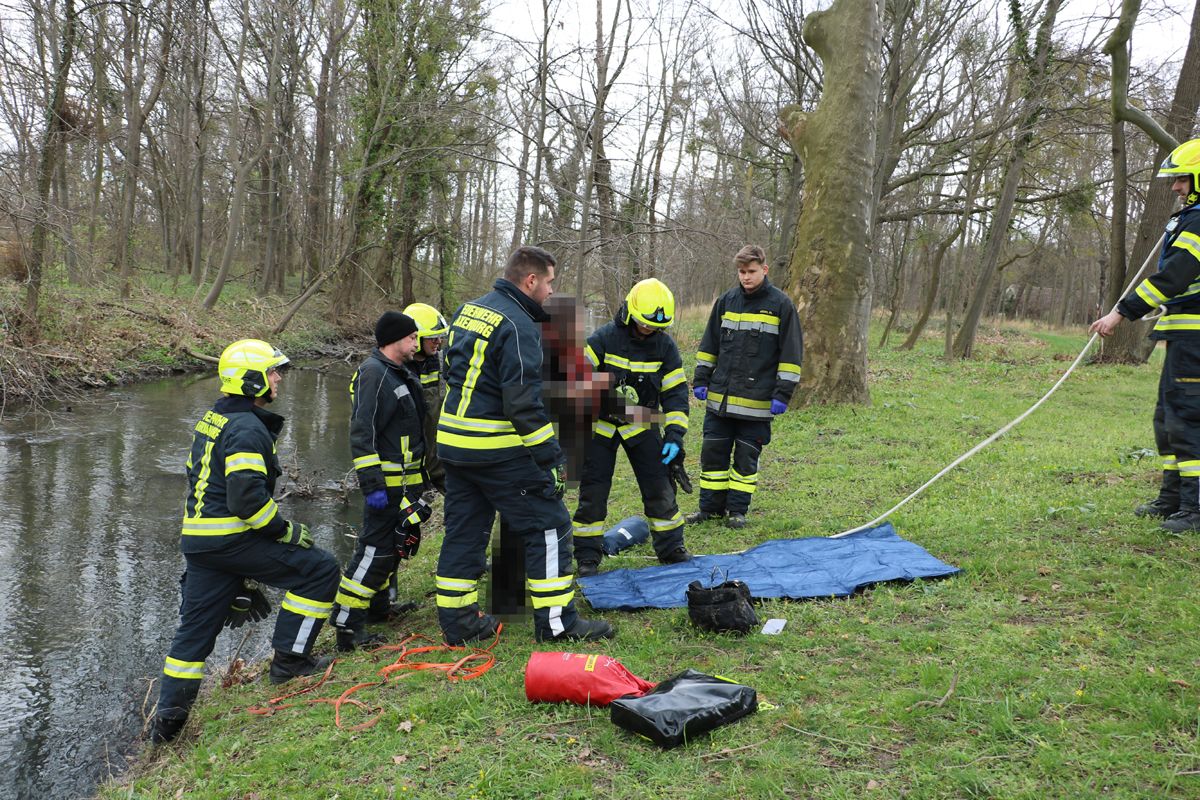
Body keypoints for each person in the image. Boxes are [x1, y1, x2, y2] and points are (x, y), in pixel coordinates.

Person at [150, 340, 340, 744]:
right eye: (272, 372)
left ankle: (166, 728)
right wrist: (283, 532)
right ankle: (290, 662)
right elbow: (246, 499)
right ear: (252, 379)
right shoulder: (248, 428)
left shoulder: (214, 417)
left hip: (200, 543)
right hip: (231, 540)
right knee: (320, 570)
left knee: (193, 635)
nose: (278, 378)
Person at [434, 245, 614, 644]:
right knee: (550, 526)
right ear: (530, 280)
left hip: (453, 444)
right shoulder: (518, 326)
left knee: (464, 531)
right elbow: (523, 405)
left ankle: (459, 624)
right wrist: (551, 458)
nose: (552, 291)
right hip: (496, 449)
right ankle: (558, 625)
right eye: (550, 282)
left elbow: (447, 370)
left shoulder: (469, 310)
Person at [1090, 138, 1200, 532]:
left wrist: (1121, 313)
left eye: (1182, 180)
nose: (1175, 188)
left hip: (1196, 340)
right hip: (1184, 338)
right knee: (1167, 418)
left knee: (1188, 418)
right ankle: (1173, 499)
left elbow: (1174, 277)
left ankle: (1195, 508)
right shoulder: (1190, 217)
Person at [572, 278, 694, 576]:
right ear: (629, 313)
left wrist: (675, 435)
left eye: (656, 326)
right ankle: (588, 555)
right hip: (600, 426)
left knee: (659, 486)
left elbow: (676, 394)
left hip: (642, 424)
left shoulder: (665, 348)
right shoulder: (603, 339)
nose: (650, 330)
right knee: (593, 492)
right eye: (644, 324)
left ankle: (671, 546)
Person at [331, 311, 428, 651]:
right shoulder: (373, 374)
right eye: (412, 337)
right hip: (385, 488)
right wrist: (372, 487)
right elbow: (362, 433)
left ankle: (379, 608)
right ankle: (347, 623)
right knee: (374, 552)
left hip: (403, 485)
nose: (417, 342)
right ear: (393, 340)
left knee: (391, 553)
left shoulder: (398, 372)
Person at [689, 245, 804, 529]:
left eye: (751, 272)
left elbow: (791, 355)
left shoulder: (782, 305)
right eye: (741, 272)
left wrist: (782, 394)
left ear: (764, 270)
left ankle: (737, 511)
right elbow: (709, 345)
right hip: (720, 401)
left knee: (745, 459)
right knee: (712, 455)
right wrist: (701, 378)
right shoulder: (726, 301)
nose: (746, 277)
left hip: (757, 403)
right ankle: (709, 509)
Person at [403, 302, 449, 495]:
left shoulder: (442, 362)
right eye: (433, 337)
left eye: (440, 337)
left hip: (439, 462)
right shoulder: (398, 369)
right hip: (408, 468)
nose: (438, 341)